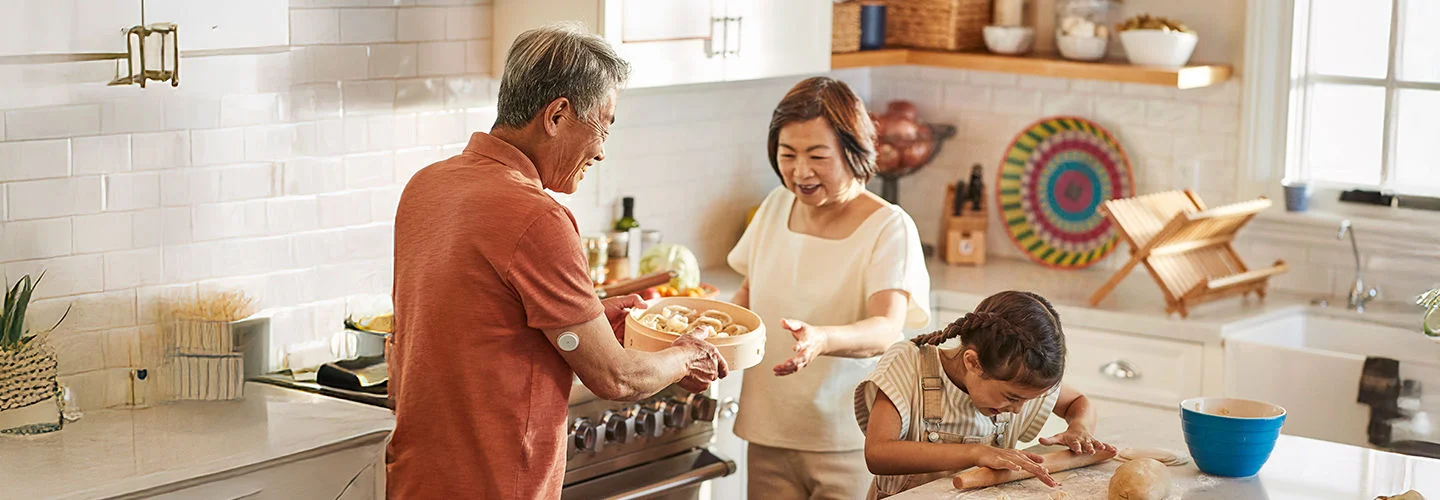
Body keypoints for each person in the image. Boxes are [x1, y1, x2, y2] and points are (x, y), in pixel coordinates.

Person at [387, 24, 727, 499]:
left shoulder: (427, 186)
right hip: (499, 483)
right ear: (558, 115)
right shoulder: (537, 217)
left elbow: (481, 321)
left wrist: (595, 319)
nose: (603, 150)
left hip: (417, 477)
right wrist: (688, 353)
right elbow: (617, 377)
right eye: (604, 124)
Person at [727, 76, 932, 499]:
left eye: (817, 156)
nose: (800, 171)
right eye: (787, 155)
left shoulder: (888, 226)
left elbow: (885, 329)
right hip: (769, 428)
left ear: (853, 151)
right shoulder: (775, 206)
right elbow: (748, 299)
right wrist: (708, 342)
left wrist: (821, 339)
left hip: (847, 437)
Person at [855, 291, 1116, 498]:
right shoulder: (909, 365)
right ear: (973, 363)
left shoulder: (1015, 381)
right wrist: (976, 453)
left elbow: (1078, 403)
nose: (1018, 410)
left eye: (1030, 400)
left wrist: (1080, 428)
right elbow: (878, 454)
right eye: (1012, 398)